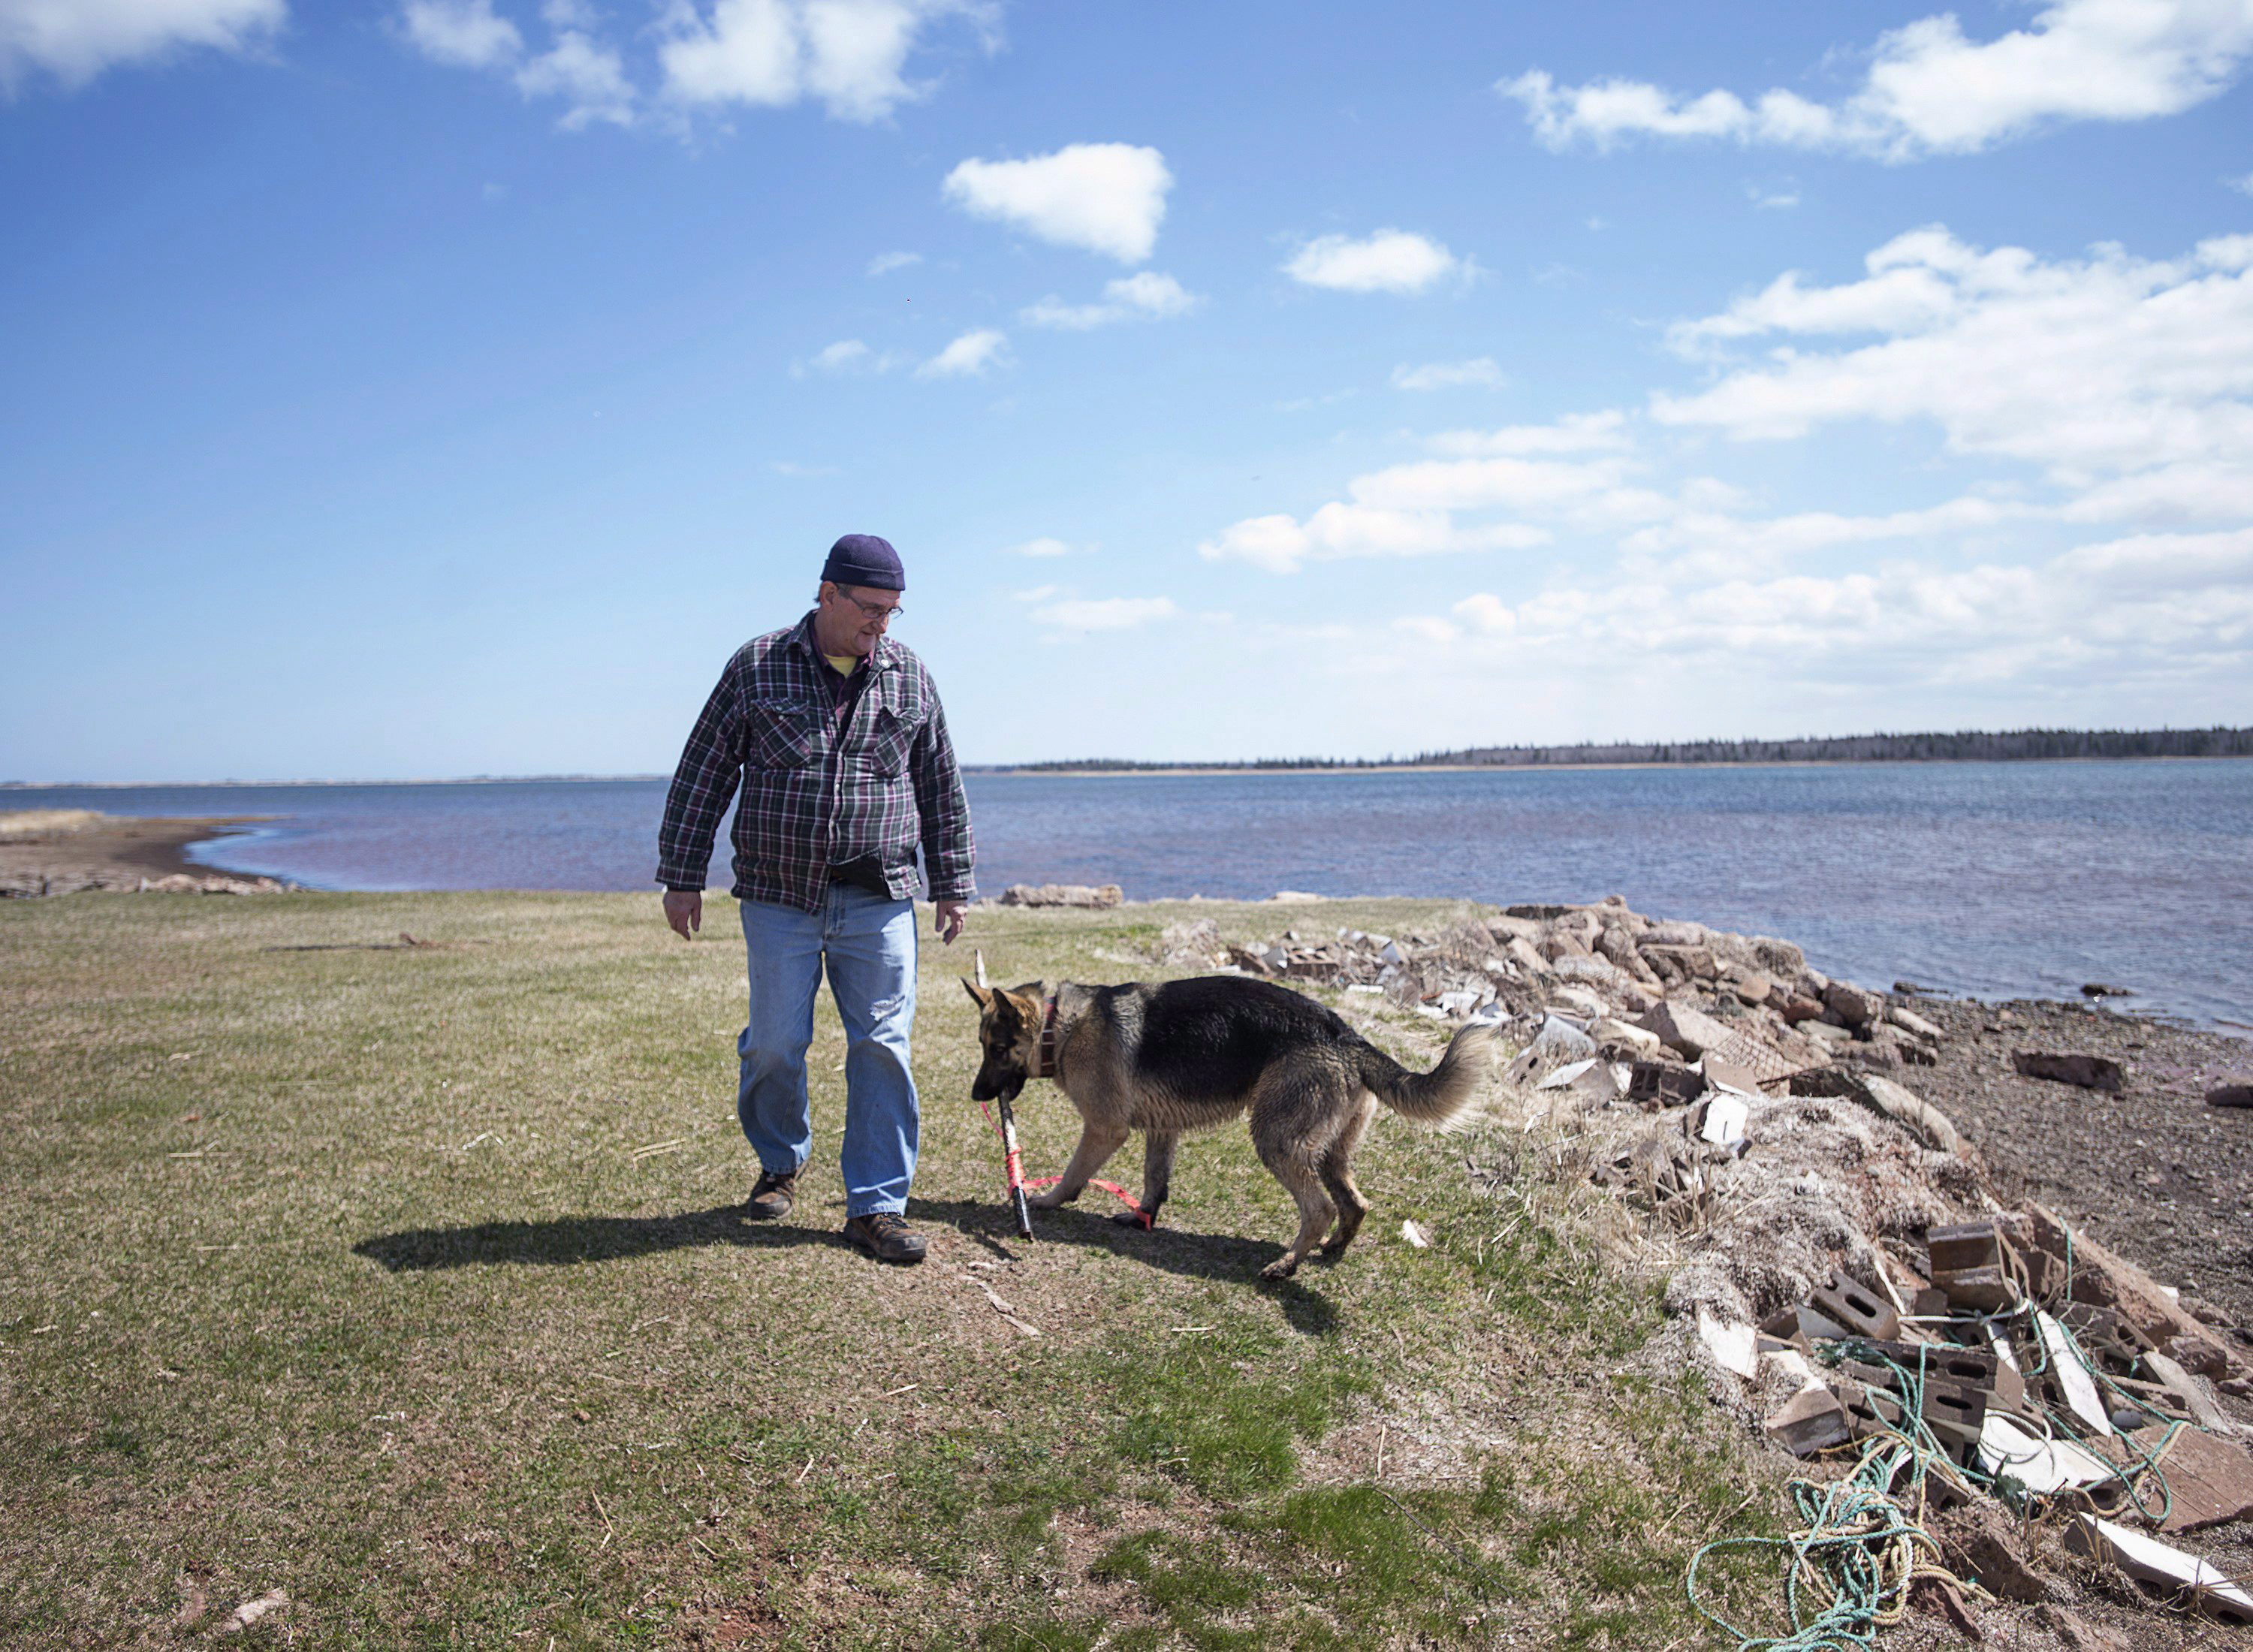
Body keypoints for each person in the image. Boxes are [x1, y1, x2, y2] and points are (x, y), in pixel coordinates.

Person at [656, 534, 974, 1265]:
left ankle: (877, 1205)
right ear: (827, 593)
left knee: (883, 1046)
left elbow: (941, 785)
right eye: (869, 610)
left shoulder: (909, 675)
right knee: (775, 1043)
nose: (880, 627)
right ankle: (780, 1160)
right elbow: (703, 772)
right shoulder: (758, 666)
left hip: (880, 896)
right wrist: (682, 873)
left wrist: (953, 882)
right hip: (777, 896)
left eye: (892, 613)